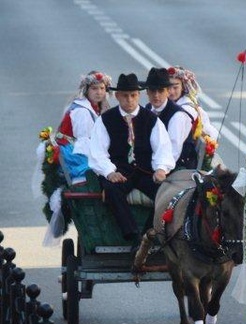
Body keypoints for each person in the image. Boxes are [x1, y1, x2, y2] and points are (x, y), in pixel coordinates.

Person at [88, 73, 175, 240]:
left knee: (165, 194)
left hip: (145, 172)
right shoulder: (106, 119)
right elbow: (97, 152)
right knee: (112, 190)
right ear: (117, 96)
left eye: (133, 95)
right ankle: (131, 233)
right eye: (125, 96)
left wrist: (161, 169)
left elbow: (163, 148)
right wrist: (110, 172)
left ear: (139, 96)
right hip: (120, 172)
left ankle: (149, 234)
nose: (129, 100)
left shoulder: (151, 120)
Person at [143, 67, 197, 170]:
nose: (156, 95)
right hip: (152, 162)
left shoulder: (177, 116)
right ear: (147, 92)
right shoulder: (148, 108)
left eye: (160, 90)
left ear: (167, 92)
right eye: (152, 90)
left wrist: (160, 169)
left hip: (174, 167)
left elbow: (173, 152)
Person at [58, 71, 112, 158]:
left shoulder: (98, 107)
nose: (99, 92)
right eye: (94, 88)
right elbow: (84, 144)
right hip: (71, 156)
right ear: (86, 90)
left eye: (102, 88)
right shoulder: (82, 111)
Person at [167, 65, 219, 140]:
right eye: (168, 87)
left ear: (183, 87)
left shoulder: (188, 109)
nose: (171, 91)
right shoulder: (159, 105)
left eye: (175, 87)